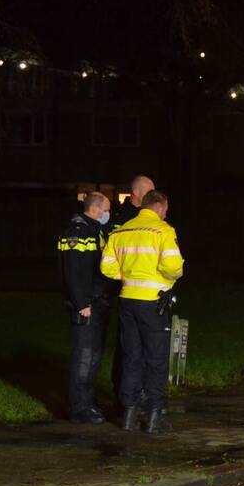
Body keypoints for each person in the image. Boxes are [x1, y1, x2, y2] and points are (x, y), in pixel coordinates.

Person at [100, 190, 184, 433]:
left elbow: (106, 267)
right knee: (156, 360)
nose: (166, 214)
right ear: (158, 207)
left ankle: (129, 415)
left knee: (131, 357)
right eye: (165, 209)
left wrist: (127, 277)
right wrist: (166, 279)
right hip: (152, 303)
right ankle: (154, 417)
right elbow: (173, 267)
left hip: (127, 301)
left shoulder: (121, 231)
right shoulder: (163, 231)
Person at [59, 192, 114, 424]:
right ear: (97, 209)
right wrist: (82, 303)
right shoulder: (78, 232)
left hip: (97, 301)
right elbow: (74, 271)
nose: (109, 214)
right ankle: (79, 408)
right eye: (108, 209)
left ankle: (88, 402)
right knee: (84, 355)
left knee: (93, 355)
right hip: (86, 305)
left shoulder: (94, 230)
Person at [107, 175, 156, 396]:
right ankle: (123, 393)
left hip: (146, 293)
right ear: (137, 193)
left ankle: (138, 393)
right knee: (126, 345)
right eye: (149, 192)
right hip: (123, 290)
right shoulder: (119, 218)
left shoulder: (150, 219)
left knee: (143, 346)